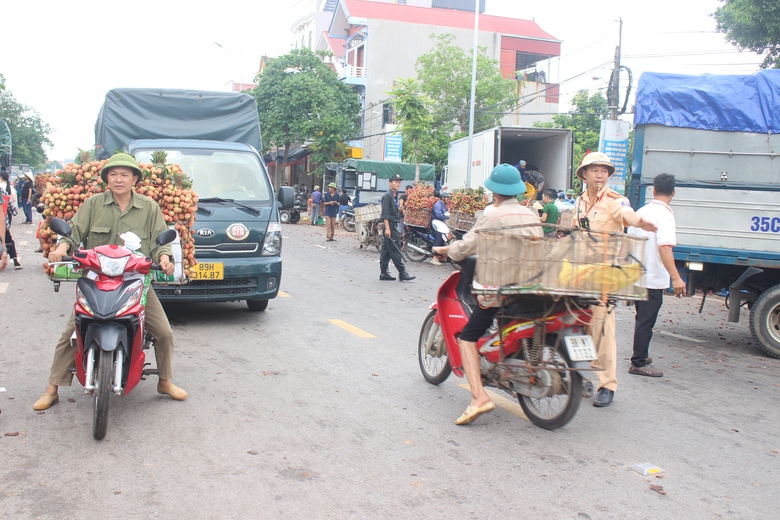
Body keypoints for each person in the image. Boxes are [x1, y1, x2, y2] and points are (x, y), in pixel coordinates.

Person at [33, 153, 187, 411]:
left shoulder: (149, 207)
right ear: (107, 179)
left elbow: (162, 244)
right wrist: (60, 249)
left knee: (163, 332)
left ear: (134, 179)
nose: (119, 179)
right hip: (96, 280)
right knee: (72, 332)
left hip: (135, 281)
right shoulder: (93, 204)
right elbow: (73, 235)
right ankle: (53, 388)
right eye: (113, 174)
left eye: (125, 174)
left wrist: (165, 259)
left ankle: (164, 380)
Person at [433, 164, 542, 425]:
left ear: (493, 191)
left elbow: (465, 247)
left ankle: (478, 397)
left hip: (499, 289)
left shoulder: (491, 216)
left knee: (468, 337)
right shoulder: (531, 216)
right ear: (517, 190)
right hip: (530, 288)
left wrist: (446, 250)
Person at [571, 152, 657, 408]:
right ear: (584, 174)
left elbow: (628, 215)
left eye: (604, 171)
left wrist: (640, 221)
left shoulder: (614, 200)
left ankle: (607, 384)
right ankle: (576, 376)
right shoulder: (579, 202)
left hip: (604, 276)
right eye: (594, 170)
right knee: (572, 323)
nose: (599, 174)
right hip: (579, 274)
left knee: (603, 329)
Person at [627, 173, 686, 378]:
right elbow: (664, 248)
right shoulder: (666, 215)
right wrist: (676, 277)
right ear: (673, 193)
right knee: (646, 321)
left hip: (638, 275)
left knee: (641, 318)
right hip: (652, 278)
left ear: (653, 190)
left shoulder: (641, 212)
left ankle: (640, 354)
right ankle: (638, 362)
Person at [379, 174, 415, 282]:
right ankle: (402, 272)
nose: (398, 184)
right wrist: (388, 229)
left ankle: (383, 272)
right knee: (395, 249)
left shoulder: (394, 196)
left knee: (386, 250)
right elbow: (385, 214)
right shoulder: (387, 196)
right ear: (390, 183)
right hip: (390, 226)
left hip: (391, 225)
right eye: (395, 182)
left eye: (399, 182)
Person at [1, 171, 21, 268]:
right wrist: (14, 212)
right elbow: (11, 202)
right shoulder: (6, 189)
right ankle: (15, 261)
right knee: (8, 240)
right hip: (5, 218)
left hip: (3, 218)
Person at [430, 191, 450, 265]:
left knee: (442, 240)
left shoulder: (443, 205)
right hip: (436, 224)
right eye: (447, 197)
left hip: (440, 224)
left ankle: (440, 257)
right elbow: (439, 215)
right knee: (438, 239)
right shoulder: (438, 205)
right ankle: (434, 258)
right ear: (443, 198)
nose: (448, 199)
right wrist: (447, 216)